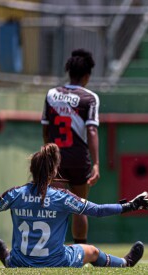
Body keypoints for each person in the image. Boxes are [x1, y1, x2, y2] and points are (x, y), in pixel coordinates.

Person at [0, 143, 148, 268]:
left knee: (15, 256)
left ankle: (10, 260)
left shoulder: (15, 194)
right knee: (91, 251)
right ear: (54, 171)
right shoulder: (62, 197)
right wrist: (130, 206)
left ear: (32, 169)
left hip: (23, 263)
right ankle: (125, 263)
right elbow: (98, 210)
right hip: (56, 262)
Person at [41, 49, 100, 244]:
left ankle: (50, 249)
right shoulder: (89, 98)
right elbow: (91, 131)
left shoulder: (52, 94)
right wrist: (96, 163)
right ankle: (81, 252)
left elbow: (46, 128)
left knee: (55, 206)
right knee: (79, 207)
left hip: (56, 158)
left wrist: (48, 156)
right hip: (78, 158)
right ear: (87, 75)